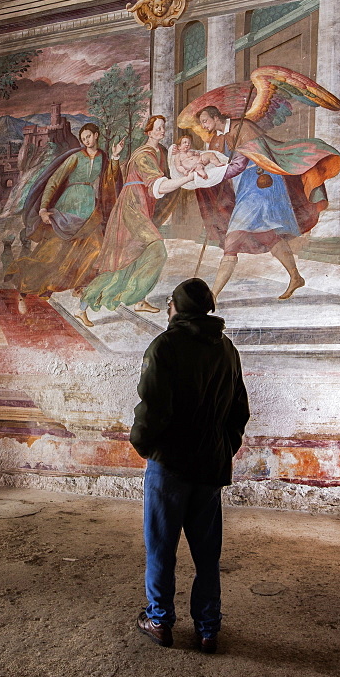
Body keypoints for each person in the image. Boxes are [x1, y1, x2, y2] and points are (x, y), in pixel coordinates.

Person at [130, 277, 250, 651]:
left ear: (177, 307)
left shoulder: (166, 345)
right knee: (206, 552)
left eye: (170, 302)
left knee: (162, 548)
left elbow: (152, 408)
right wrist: (222, 447)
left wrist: (144, 445)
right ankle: (207, 628)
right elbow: (239, 411)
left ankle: (160, 621)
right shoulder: (227, 349)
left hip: (171, 464)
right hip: (210, 463)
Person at [196, 105, 331, 301]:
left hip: (260, 186)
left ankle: (213, 295)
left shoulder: (243, 127)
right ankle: (295, 276)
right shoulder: (217, 139)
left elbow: (243, 162)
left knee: (231, 240)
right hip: (244, 188)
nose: (203, 125)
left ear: (216, 117)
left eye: (205, 120)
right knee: (268, 235)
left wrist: (225, 167)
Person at [80, 115, 193, 322]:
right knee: (157, 249)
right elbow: (159, 185)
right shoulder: (144, 155)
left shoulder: (159, 152)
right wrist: (188, 179)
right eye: (157, 128)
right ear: (149, 132)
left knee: (134, 256)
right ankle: (117, 297)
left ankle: (137, 299)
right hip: (131, 207)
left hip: (141, 206)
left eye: (163, 127)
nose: (162, 131)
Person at [5, 123, 123, 314]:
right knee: (51, 254)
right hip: (68, 207)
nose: (86, 140)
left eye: (88, 136)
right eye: (83, 138)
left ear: (96, 135)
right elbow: (55, 180)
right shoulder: (76, 157)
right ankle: (23, 290)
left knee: (95, 248)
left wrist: (116, 155)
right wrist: (43, 208)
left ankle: (81, 286)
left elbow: (110, 178)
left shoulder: (103, 157)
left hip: (89, 210)